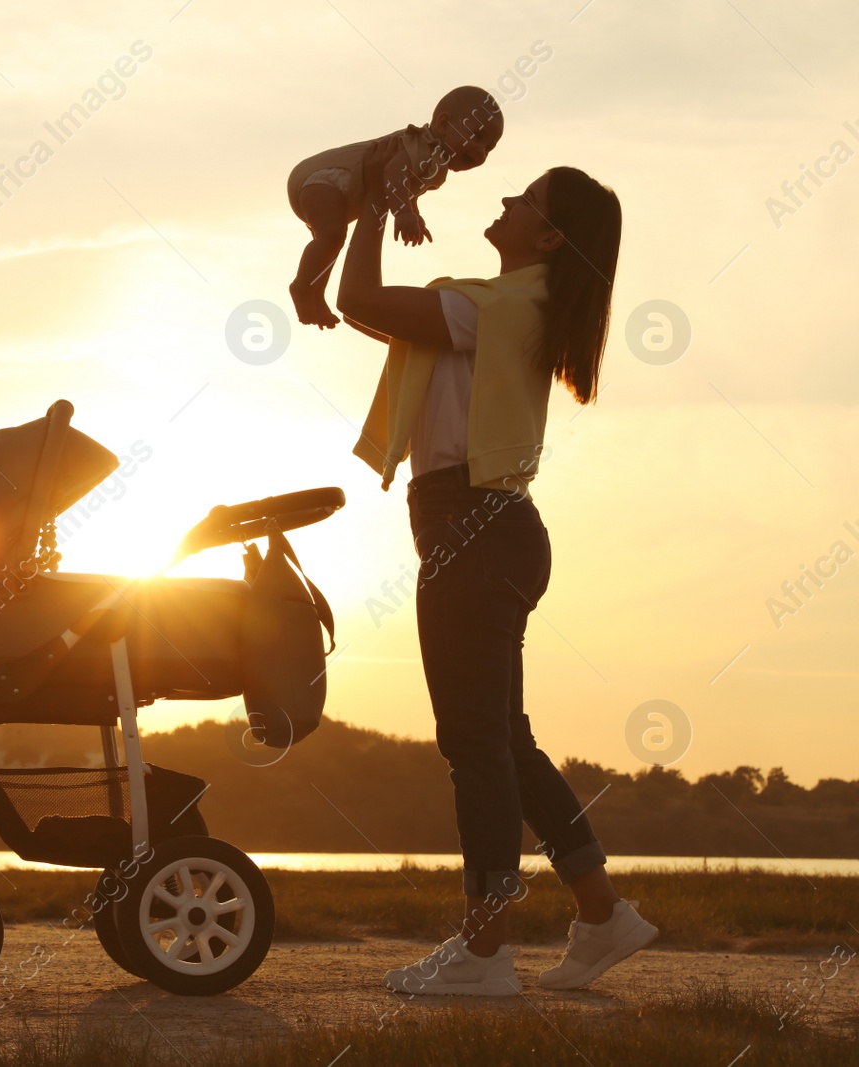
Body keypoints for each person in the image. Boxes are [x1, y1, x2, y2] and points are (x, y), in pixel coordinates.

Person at [334, 146, 659, 995]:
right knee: (502, 738)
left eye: (524, 198)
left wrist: (371, 199)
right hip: (490, 527)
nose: (505, 198)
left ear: (549, 239)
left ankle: (484, 953)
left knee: (474, 743)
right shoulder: (500, 305)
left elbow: (358, 299)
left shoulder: (504, 305)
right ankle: (602, 914)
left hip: (471, 527)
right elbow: (377, 314)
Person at [287, 85, 504, 330]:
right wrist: (403, 213)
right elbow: (394, 171)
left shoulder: (435, 162)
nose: (481, 151)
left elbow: (406, 186)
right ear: (443, 124)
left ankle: (316, 296)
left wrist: (414, 212)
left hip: (336, 190)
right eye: (476, 137)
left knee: (331, 243)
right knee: (332, 236)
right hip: (327, 179)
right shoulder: (422, 146)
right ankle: (301, 288)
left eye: (489, 147)